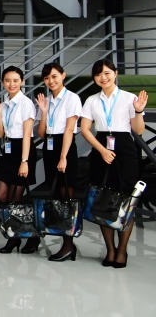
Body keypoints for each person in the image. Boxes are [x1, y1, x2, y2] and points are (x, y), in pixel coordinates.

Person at [80, 58, 148, 268]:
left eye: (107, 73)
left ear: (115, 73)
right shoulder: (91, 100)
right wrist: (102, 150)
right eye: (99, 74)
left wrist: (138, 111)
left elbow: (138, 130)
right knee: (103, 199)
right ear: (94, 78)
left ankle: (122, 250)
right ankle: (110, 249)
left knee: (126, 200)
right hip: (101, 147)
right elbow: (85, 129)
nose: (103, 77)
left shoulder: (129, 98)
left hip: (125, 150)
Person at [34, 62, 82, 262]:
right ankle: (66, 242)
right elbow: (41, 133)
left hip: (65, 147)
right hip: (50, 146)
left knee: (67, 196)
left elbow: (70, 129)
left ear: (63, 75)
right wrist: (44, 112)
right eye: (46, 78)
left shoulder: (72, 98)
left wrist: (63, 157)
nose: (50, 81)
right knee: (56, 195)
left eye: (54, 76)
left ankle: (68, 244)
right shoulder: (47, 100)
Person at [0, 66, 39, 254]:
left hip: (23, 151)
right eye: (8, 81)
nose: (11, 84)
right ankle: (15, 234)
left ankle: (21, 237)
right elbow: (0, 134)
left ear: (22, 82)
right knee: (2, 195)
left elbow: (27, 135)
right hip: (9, 150)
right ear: (3, 82)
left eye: (16, 80)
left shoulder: (26, 104)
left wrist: (24, 161)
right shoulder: (4, 105)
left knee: (16, 198)